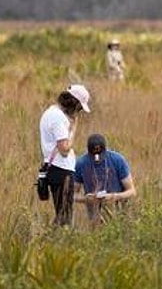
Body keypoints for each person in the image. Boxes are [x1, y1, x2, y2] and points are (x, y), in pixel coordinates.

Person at [38, 84, 91, 226]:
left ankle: (51, 236)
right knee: (65, 218)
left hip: (55, 168)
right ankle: (51, 238)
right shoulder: (58, 117)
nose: (78, 112)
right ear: (74, 103)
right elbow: (64, 149)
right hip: (61, 170)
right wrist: (73, 129)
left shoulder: (50, 112)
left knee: (62, 215)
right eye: (79, 108)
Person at [74, 133, 136, 224]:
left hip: (118, 211)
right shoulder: (81, 164)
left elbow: (132, 191)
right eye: (93, 155)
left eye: (100, 154)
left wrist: (114, 196)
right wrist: (86, 199)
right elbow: (73, 195)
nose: (97, 158)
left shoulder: (118, 160)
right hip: (95, 213)